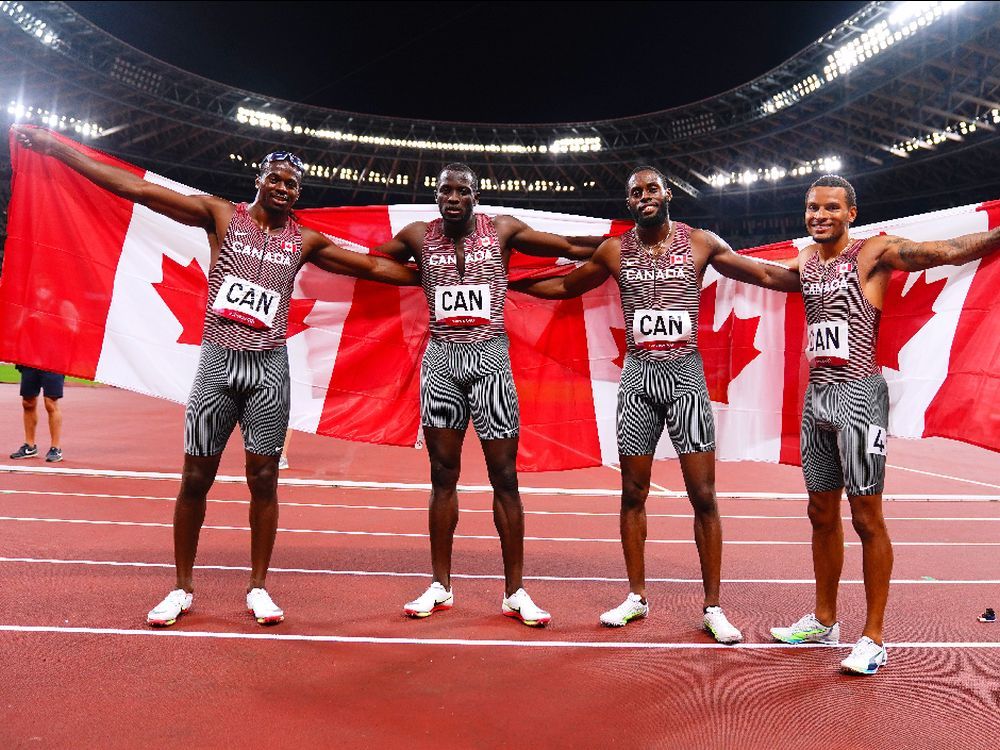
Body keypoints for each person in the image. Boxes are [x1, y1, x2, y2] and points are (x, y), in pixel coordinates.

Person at [13, 125, 420, 627]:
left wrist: (455, 272)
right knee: (195, 479)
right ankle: (182, 586)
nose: (284, 188)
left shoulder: (305, 239)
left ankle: (258, 587)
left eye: (293, 185)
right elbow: (137, 190)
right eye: (277, 179)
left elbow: (375, 269)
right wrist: (58, 150)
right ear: (260, 178)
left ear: (299, 194)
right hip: (217, 368)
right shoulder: (221, 215)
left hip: (269, 371)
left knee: (265, 480)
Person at [511, 166, 800, 642]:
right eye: (634, 193)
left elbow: (764, 272)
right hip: (639, 381)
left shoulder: (701, 242)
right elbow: (565, 287)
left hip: (685, 378)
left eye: (650, 189)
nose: (643, 196)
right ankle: (635, 596)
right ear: (628, 204)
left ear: (667, 194)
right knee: (633, 492)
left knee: (703, 495)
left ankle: (713, 606)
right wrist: (503, 283)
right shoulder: (613, 250)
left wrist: (818, 277)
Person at [769, 174, 1000, 674]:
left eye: (831, 207)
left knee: (866, 516)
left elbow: (947, 251)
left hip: (858, 396)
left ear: (852, 212)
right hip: (817, 399)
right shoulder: (807, 263)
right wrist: (693, 258)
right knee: (819, 512)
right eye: (812, 208)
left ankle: (873, 638)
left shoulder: (874, 253)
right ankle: (824, 620)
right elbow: (759, 275)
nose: (820, 216)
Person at [373, 163, 601, 627]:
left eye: (462, 191)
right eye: (444, 190)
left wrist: (629, 239)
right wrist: (307, 252)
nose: (453, 197)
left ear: (476, 196)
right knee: (442, 475)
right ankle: (440, 585)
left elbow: (566, 248)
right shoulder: (419, 234)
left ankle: (515, 592)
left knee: (505, 477)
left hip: (491, 363)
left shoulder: (502, 230)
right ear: (436, 196)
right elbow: (370, 260)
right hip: (441, 364)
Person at [10, 364, 65, 463]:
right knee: (28, 402)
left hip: (54, 361)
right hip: (31, 360)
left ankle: (55, 448)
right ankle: (29, 446)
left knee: (50, 402)